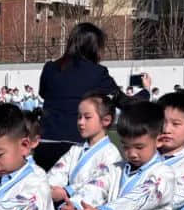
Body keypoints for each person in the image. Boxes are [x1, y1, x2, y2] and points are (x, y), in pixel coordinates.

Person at [34, 23, 121, 175]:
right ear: (94, 47)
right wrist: (145, 92)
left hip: (46, 142)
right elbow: (121, 99)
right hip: (76, 145)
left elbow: (43, 93)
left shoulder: (50, 68)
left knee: (45, 193)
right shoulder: (97, 72)